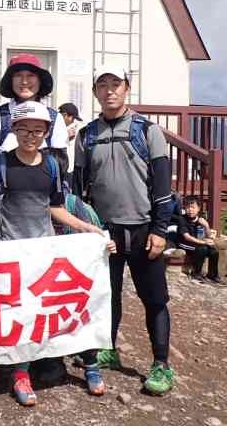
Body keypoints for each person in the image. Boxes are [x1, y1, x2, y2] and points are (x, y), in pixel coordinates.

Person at [0, 101, 115, 407]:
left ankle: (21, 374)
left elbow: (55, 208)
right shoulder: (0, 164)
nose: (31, 136)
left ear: (47, 133)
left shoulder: (52, 166)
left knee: (27, 316)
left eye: (37, 130)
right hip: (6, 253)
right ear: (14, 131)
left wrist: (87, 228)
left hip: (40, 255)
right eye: (24, 130)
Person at [73, 67, 176, 396]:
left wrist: (161, 230)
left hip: (145, 229)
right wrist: (85, 229)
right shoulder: (87, 135)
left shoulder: (148, 131)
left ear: (126, 88)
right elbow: (78, 189)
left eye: (115, 84)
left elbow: (163, 187)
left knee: (155, 299)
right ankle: (108, 349)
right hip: (105, 232)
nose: (109, 91)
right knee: (106, 295)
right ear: (95, 92)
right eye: (102, 85)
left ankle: (161, 363)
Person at [176, 196, 221, 283]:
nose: (190, 210)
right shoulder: (182, 219)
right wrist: (204, 242)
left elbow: (208, 235)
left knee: (214, 251)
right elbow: (187, 237)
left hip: (198, 243)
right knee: (202, 248)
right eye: (188, 207)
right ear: (184, 208)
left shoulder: (201, 219)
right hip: (184, 243)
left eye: (193, 207)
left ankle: (212, 275)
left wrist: (206, 226)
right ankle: (196, 273)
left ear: (198, 209)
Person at [59, 102, 83, 174]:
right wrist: (66, 136)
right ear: (65, 115)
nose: (73, 121)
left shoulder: (64, 128)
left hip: (67, 169)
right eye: (73, 118)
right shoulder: (52, 126)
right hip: (58, 170)